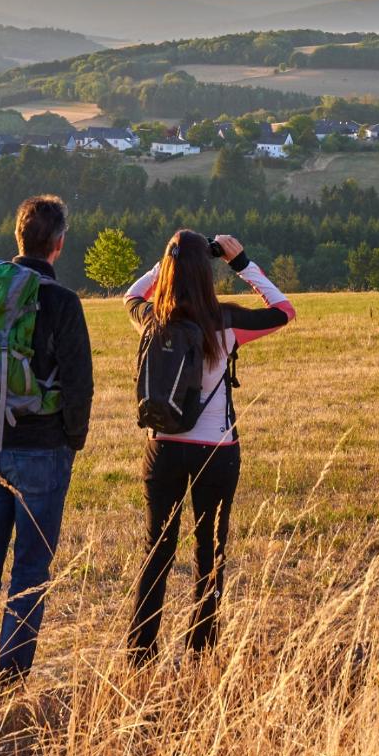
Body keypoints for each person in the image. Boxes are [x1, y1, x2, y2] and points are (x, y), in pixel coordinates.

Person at [122, 229, 294, 661]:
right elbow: (283, 311)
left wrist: (167, 264)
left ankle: (141, 652)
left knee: (156, 550)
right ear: (207, 272)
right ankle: (200, 650)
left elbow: (131, 295)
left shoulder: (150, 319)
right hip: (215, 451)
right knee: (209, 551)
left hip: (162, 448)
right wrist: (241, 264)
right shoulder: (227, 320)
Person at [0, 195, 93, 700]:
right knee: (30, 573)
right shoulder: (62, 301)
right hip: (43, 453)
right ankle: (10, 689)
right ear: (58, 244)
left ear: (19, 238)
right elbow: (79, 386)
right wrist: (70, 442)